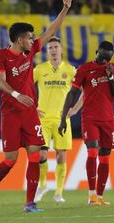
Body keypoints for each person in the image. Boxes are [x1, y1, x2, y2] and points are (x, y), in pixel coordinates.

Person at [0, 0, 72, 213]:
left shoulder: (29, 51)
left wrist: (65, 9)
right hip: (11, 113)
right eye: (30, 38)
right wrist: (16, 94)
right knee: (11, 160)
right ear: (20, 39)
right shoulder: (1, 55)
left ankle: (30, 203)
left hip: (30, 113)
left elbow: (50, 31)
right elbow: (0, 81)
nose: (33, 41)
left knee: (36, 155)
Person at [58, 41, 114, 205]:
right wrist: (63, 119)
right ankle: (92, 195)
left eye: (107, 59)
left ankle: (100, 197)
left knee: (105, 158)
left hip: (109, 120)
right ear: (97, 52)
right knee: (93, 152)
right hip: (90, 118)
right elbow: (72, 93)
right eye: (102, 58)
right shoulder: (84, 69)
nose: (104, 62)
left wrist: (110, 77)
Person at [33, 36, 82, 203]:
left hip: (62, 119)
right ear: (47, 52)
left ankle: (59, 192)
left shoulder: (70, 70)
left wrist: (75, 109)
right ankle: (43, 185)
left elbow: (85, 89)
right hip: (43, 119)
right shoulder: (39, 70)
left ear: (61, 49)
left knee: (61, 156)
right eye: (50, 48)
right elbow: (25, 86)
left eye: (56, 47)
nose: (53, 50)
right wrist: (32, 107)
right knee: (41, 154)